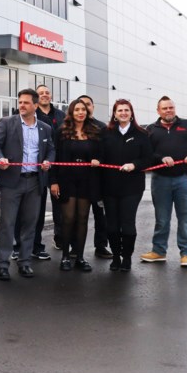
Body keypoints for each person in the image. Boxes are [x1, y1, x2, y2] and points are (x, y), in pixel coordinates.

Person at [0, 88, 55, 280]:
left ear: (35, 105)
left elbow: (51, 149)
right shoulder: (8, 123)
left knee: (30, 224)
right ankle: (2, 264)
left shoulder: (45, 128)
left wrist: (48, 161)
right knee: (7, 224)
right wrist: (0, 159)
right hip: (11, 181)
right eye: (20, 102)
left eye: (26, 102)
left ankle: (25, 262)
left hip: (35, 182)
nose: (22, 105)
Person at [141, 96, 187, 267]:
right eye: (164, 108)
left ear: (174, 108)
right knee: (162, 218)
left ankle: (186, 254)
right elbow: (146, 154)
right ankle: (158, 251)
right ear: (158, 111)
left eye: (171, 107)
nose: (168, 110)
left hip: (185, 179)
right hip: (160, 180)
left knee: (186, 217)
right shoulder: (150, 130)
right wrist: (161, 158)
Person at [100, 99, 155, 271]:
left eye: (126, 110)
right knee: (112, 224)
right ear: (114, 114)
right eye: (119, 110)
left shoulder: (142, 134)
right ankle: (115, 256)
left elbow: (148, 159)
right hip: (109, 186)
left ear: (131, 113)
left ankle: (127, 257)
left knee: (127, 223)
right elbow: (100, 156)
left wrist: (135, 165)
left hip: (132, 187)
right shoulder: (106, 133)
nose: (123, 113)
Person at [49, 99, 103, 272]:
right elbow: (54, 158)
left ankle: (79, 256)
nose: (81, 112)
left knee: (83, 219)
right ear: (71, 112)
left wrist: (98, 160)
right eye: (77, 109)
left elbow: (102, 154)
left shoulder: (94, 132)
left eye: (83, 109)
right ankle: (65, 256)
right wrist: (53, 181)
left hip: (87, 181)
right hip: (67, 180)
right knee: (68, 219)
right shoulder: (62, 132)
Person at [30, 83, 64, 258]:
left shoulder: (61, 115)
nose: (44, 95)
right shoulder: (31, 115)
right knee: (38, 210)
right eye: (41, 93)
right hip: (38, 168)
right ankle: (36, 244)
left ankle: (60, 239)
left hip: (58, 166)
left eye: (47, 92)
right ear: (36, 97)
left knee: (60, 207)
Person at [76, 94, 112, 259]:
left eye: (88, 105)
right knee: (77, 216)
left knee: (100, 215)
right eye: (81, 106)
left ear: (93, 107)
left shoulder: (101, 127)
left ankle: (101, 246)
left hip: (98, 179)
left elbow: (107, 152)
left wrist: (100, 160)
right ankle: (75, 247)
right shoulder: (72, 126)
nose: (85, 108)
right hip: (78, 180)